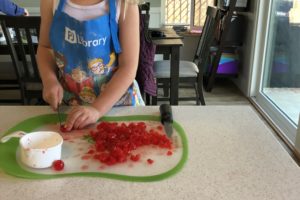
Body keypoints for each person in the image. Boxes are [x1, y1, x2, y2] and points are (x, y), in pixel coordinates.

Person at [37, 0, 144, 131]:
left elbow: (128, 67)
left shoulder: (125, 4)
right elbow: (45, 47)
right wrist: (49, 80)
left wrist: (96, 109)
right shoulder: (50, 2)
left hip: (117, 106)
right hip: (72, 107)